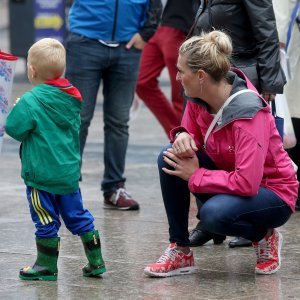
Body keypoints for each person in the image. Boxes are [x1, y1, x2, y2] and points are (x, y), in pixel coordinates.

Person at [144, 31, 299, 277]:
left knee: (213, 215)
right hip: (228, 175)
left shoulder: (248, 113)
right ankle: (180, 250)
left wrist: (196, 175)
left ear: (201, 76)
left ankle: (265, 236)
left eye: (181, 71)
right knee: (169, 156)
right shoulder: (197, 95)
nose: (177, 77)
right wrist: (182, 135)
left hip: (272, 192)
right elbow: (190, 132)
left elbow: (247, 183)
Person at [188, 0, 287, 248]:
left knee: (249, 158)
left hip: (245, 74)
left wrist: (269, 82)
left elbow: (266, 29)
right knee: (207, 147)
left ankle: (249, 220)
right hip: (211, 76)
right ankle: (209, 223)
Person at [5, 38, 106, 281]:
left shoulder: (30, 100)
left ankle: (46, 266)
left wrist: (19, 107)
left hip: (42, 176)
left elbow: (14, 128)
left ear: (32, 70)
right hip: (68, 173)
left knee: (45, 219)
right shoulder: (72, 97)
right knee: (78, 215)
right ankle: (96, 262)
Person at [65, 0, 162, 210]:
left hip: (127, 48)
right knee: (77, 119)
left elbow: (155, 4)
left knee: (119, 121)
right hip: (85, 42)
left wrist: (146, 33)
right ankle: (66, 188)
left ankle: (114, 186)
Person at [136, 0, 199, 136]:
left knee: (181, 94)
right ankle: (177, 133)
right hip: (156, 24)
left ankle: (184, 140)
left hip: (181, 25)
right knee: (141, 81)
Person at [273, 0, 300, 211]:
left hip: (291, 42)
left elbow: (280, 10)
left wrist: (277, 40)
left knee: (293, 108)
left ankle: (294, 189)